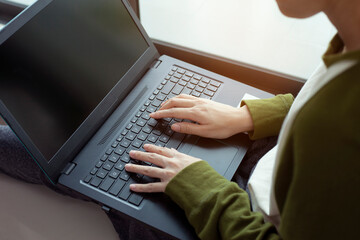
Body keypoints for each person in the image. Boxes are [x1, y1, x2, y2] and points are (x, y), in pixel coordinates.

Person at [1, 0, 359, 239]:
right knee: (96, 128)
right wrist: (248, 117)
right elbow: (314, 104)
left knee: (71, 159)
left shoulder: (332, 124)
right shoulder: (350, 44)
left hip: (238, 214)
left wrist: (201, 188)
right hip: (270, 157)